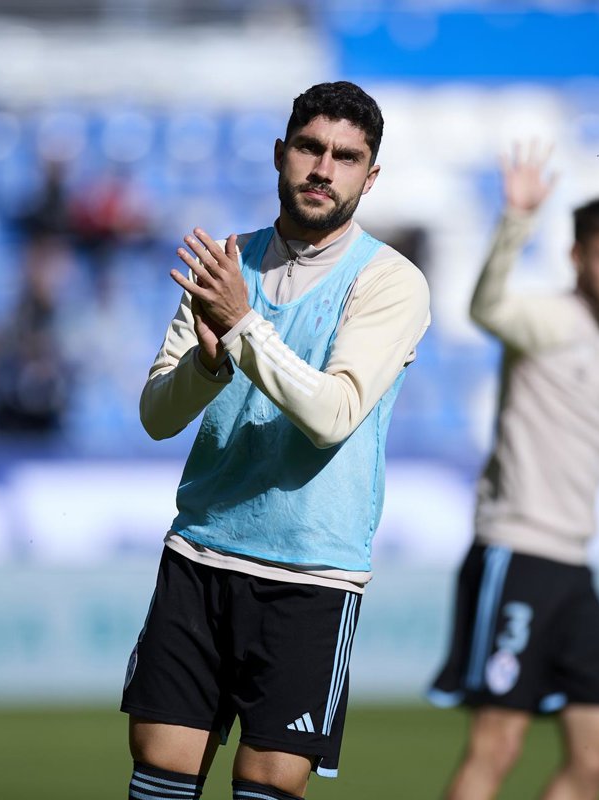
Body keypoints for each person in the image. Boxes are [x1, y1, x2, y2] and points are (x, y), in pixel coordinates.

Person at [121, 81, 431, 800]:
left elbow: (334, 414)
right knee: (157, 779)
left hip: (310, 575)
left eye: (346, 157)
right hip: (200, 554)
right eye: (310, 148)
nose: (324, 168)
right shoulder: (226, 265)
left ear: (370, 177)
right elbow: (157, 415)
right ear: (279, 154)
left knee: (266, 788)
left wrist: (240, 325)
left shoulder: (390, 282)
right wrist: (206, 368)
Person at [427, 143, 599, 800]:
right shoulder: (550, 319)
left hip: (573, 563)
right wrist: (516, 222)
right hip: (519, 551)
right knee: (498, 744)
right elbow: (487, 309)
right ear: (577, 257)